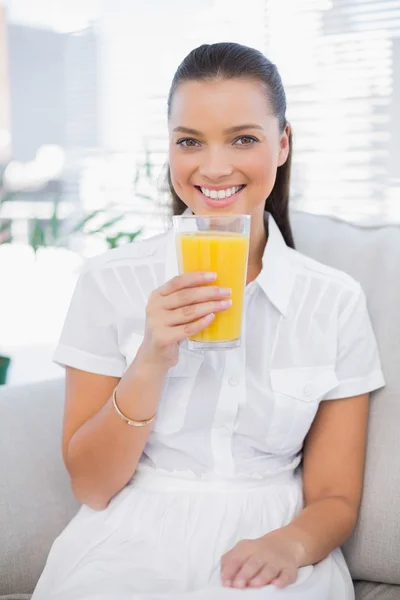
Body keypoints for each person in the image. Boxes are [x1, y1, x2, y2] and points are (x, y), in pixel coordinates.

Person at [32, 42, 385, 600]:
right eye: (189, 141)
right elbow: (92, 487)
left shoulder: (334, 300)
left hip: (273, 539)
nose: (214, 167)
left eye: (244, 138)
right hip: (131, 538)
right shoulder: (109, 281)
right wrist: (151, 359)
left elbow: (336, 497)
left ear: (283, 144)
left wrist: (289, 547)